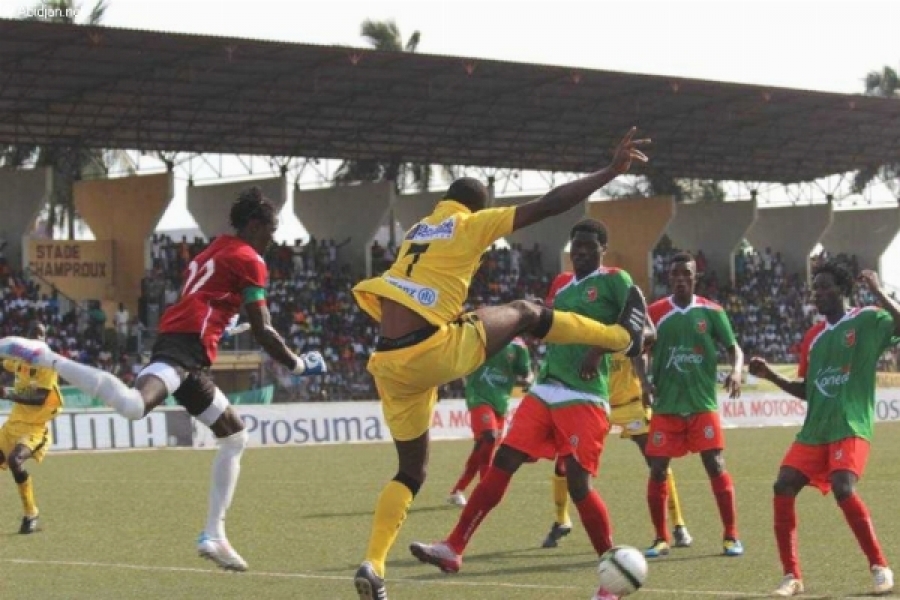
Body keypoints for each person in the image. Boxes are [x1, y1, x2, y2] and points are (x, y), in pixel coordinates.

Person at [350, 128, 651, 600]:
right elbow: (550, 203)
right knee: (528, 311)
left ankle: (375, 562)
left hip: (389, 362)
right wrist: (610, 172)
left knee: (410, 473)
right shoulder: (470, 225)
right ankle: (619, 339)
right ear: (476, 208)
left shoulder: (415, 232)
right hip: (436, 352)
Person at [0, 187, 326, 571]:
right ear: (254, 225)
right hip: (184, 348)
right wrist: (299, 365)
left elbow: (205, 300)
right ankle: (48, 357)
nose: (272, 239)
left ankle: (215, 534)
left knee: (234, 436)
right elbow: (264, 330)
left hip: (189, 350)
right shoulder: (251, 260)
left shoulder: (213, 249)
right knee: (133, 406)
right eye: (270, 231)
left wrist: (220, 324)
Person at [409, 218, 641, 600]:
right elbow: (549, 326)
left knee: (579, 484)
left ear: (603, 248)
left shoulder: (617, 280)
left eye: (588, 246)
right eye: (576, 246)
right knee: (503, 461)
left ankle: (610, 574)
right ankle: (453, 547)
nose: (580, 252)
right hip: (545, 388)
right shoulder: (561, 284)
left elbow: (641, 333)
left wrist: (598, 349)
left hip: (584, 396)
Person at [749, 264, 896, 597]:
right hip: (815, 430)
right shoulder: (812, 338)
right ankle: (792, 576)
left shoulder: (866, 319)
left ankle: (880, 567)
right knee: (783, 485)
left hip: (850, 424)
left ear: (842, 289)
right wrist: (771, 376)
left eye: (826, 287)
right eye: (815, 288)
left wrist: (878, 292)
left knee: (843, 487)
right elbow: (808, 390)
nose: (819, 293)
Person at [644, 251, 744, 558]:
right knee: (657, 469)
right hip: (666, 405)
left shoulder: (712, 311)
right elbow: (638, 350)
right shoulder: (655, 312)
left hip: (702, 404)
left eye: (686, 274)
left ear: (695, 277)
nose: (680, 279)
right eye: (675, 274)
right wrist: (643, 381)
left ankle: (731, 536)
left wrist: (736, 371)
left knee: (715, 464)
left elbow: (734, 348)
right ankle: (661, 538)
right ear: (669, 278)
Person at [541, 346, 692, 549]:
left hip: (630, 404)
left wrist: (646, 382)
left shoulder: (625, 332)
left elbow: (643, 348)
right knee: (565, 462)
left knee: (657, 461)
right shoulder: (589, 336)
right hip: (595, 404)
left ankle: (678, 524)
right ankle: (561, 520)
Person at [448, 336, 532, 507]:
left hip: (501, 402)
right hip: (479, 396)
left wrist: (528, 380)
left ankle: (457, 491)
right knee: (489, 437)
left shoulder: (518, 345)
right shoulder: (484, 335)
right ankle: (485, 488)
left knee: (483, 447)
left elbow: (527, 372)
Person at [0, 322, 62, 534]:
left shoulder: (47, 364)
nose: (36, 338)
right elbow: (4, 362)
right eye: (32, 334)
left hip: (34, 429)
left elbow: (41, 397)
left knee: (15, 460)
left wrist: (9, 394)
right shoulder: (19, 360)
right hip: (12, 425)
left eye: (40, 334)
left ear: (45, 340)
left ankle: (31, 513)